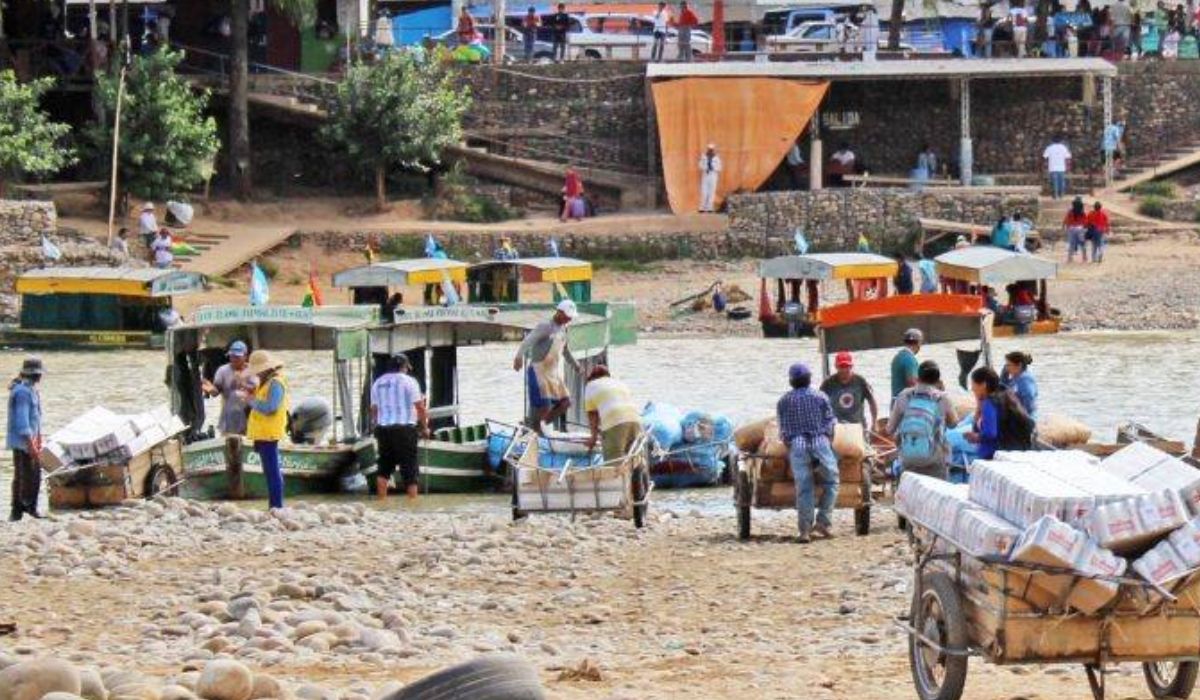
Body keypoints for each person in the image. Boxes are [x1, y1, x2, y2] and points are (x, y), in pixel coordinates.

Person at [776, 362, 838, 543]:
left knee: (804, 488)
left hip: (798, 445)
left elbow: (784, 432)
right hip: (820, 443)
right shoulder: (820, 396)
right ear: (809, 379)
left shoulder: (784, 401)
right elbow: (830, 423)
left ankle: (804, 531)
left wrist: (791, 448)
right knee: (832, 481)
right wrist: (828, 442)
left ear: (791, 381)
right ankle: (823, 522)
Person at [513, 300, 582, 432]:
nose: (569, 319)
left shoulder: (564, 328)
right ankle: (534, 429)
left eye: (570, 317)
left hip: (553, 373)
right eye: (567, 316)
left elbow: (565, 350)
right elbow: (527, 341)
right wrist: (518, 356)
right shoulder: (545, 326)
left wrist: (576, 365)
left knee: (565, 403)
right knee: (544, 406)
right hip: (538, 371)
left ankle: (539, 427)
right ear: (559, 312)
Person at [201, 341, 256, 499]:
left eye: (238, 357)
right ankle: (232, 482)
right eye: (232, 356)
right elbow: (216, 391)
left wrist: (242, 382)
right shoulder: (223, 370)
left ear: (245, 356)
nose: (234, 360)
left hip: (250, 416)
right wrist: (210, 389)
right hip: (228, 416)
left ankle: (249, 480)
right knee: (230, 447)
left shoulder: (252, 371)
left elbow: (257, 391)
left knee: (249, 446)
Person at [371, 354, 429, 501]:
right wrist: (425, 428)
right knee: (409, 467)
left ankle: (381, 501)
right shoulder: (410, 381)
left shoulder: (378, 382)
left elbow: (374, 409)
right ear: (404, 367)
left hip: (383, 429)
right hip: (405, 429)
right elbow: (420, 407)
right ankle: (412, 502)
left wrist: (375, 425)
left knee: (384, 467)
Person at [886, 360, 958, 480]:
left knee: (909, 495)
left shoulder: (904, 396)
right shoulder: (942, 398)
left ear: (918, 377)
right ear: (937, 379)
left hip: (909, 460)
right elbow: (954, 424)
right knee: (937, 495)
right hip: (935, 461)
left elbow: (890, 429)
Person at [242, 350, 289, 510]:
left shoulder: (276, 383)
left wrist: (251, 401)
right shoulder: (266, 382)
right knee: (270, 471)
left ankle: (276, 506)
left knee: (272, 472)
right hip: (263, 433)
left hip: (269, 433)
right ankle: (274, 505)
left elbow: (270, 407)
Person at [965, 367, 1035, 459]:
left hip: (994, 455)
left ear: (984, 385)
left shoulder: (989, 403)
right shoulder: (1007, 395)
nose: (972, 389)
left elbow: (990, 433)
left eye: (973, 385)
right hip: (1014, 450)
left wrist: (975, 437)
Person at [7, 357, 44, 521]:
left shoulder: (32, 390)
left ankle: (30, 507)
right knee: (23, 475)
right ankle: (17, 511)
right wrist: (31, 445)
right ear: (35, 375)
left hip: (31, 440)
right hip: (23, 442)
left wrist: (39, 439)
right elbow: (22, 422)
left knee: (34, 474)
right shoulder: (22, 392)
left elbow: (36, 418)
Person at [584, 365, 641, 463]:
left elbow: (593, 415)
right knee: (634, 461)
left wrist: (593, 438)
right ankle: (638, 476)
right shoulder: (619, 383)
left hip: (615, 423)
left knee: (614, 464)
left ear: (593, 377)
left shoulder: (591, 385)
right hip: (636, 421)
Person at [819, 351, 879, 428]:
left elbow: (872, 401)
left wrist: (874, 422)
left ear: (851, 366)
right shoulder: (828, 383)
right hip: (836, 427)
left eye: (846, 366)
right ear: (836, 367)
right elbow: (819, 404)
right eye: (841, 366)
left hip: (858, 426)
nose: (844, 370)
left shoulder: (860, 381)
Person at [1001, 351, 1039, 420]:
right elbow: (1002, 388)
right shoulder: (1014, 378)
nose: (1007, 368)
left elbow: (1029, 402)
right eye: (1006, 365)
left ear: (1019, 365)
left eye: (1009, 365)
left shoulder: (1025, 379)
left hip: (1025, 419)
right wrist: (1004, 374)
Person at [890, 328, 922, 401]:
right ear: (918, 343)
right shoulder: (910, 359)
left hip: (895, 401)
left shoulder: (897, 357)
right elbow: (912, 382)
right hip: (905, 404)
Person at [1043, 136, 1072, 200]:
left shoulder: (1049, 148)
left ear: (1052, 141)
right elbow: (1068, 157)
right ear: (1060, 141)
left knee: (1054, 182)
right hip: (1061, 168)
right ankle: (1061, 195)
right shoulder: (1063, 147)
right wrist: (1068, 166)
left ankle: (1055, 196)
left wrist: (1045, 166)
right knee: (1061, 182)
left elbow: (1045, 157)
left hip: (1052, 168)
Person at [1063, 196, 1090, 263]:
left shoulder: (1070, 211)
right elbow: (1085, 221)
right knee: (1082, 244)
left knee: (1071, 244)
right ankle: (1084, 258)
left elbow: (1067, 220)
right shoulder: (1082, 212)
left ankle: (1070, 258)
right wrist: (1085, 228)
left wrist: (1064, 226)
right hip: (1080, 229)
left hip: (1071, 229)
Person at [698, 144, 722, 213]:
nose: (710, 151)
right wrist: (705, 167)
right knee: (704, 192)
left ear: (713, 150)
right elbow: (699, 166)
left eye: (711, 150)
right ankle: (702, 208)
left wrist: (713, 167)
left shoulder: (717, 158)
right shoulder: (703, 157)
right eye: (709, 149)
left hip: (713, 175)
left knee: (712, 192)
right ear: (707, 149)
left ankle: (709, 208)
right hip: (705, 175)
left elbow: (720, 168)